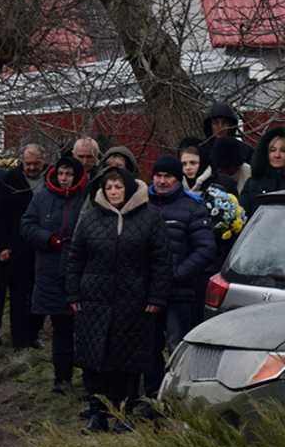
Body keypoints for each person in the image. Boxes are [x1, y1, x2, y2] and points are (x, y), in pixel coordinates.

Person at [66, 167, 170, 432]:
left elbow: (161, 261)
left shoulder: (150, 218)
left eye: (118, 187)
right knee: (93, 360)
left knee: (129, 360)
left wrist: (156, 296)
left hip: (134, 300)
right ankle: (97, 414)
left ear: (128, 188)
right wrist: (73, 293)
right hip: (94, 300)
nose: (113, 192)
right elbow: (75, 257)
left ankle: (125, 413)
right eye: (109, 187)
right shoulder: (90, 218)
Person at [146, 155, 216, 396]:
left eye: (168, 177)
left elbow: (206, 248)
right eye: (158, 176)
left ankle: (178, 396)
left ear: (178, 179)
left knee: (177, 347)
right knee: (148, 346)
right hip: (145, 292)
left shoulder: (192, 208)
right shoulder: (142, 206)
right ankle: (151, 395)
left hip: (179, 292)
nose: (162, 181)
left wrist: (178, 274)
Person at [20, 154, 88, 393]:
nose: (64, 179)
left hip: (82, 272)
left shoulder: (87, 198)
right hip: (50, 269)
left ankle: (90, 377)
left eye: (69, 174)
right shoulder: (43, 197)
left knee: (85, 328)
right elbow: (27, 225)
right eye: (61, 174)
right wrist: (48, 238)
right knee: (61, 328)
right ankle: (62, 379)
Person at [0, 144, 47, 350]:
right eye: (28, 164)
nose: (32, 168)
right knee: (18, 295)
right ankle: (19, 340)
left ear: (42, 161)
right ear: (21, 162)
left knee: (39, 293)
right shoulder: (9, 181)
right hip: (16, 247)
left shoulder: (49, 179)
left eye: (36, 164)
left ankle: (34, 333)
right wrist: (3, 246)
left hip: (42, 245)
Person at [242, 127, 285, 213]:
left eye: (283, 151)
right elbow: (243, 215)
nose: (277, 155)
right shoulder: (253, 184)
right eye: (272, 150)